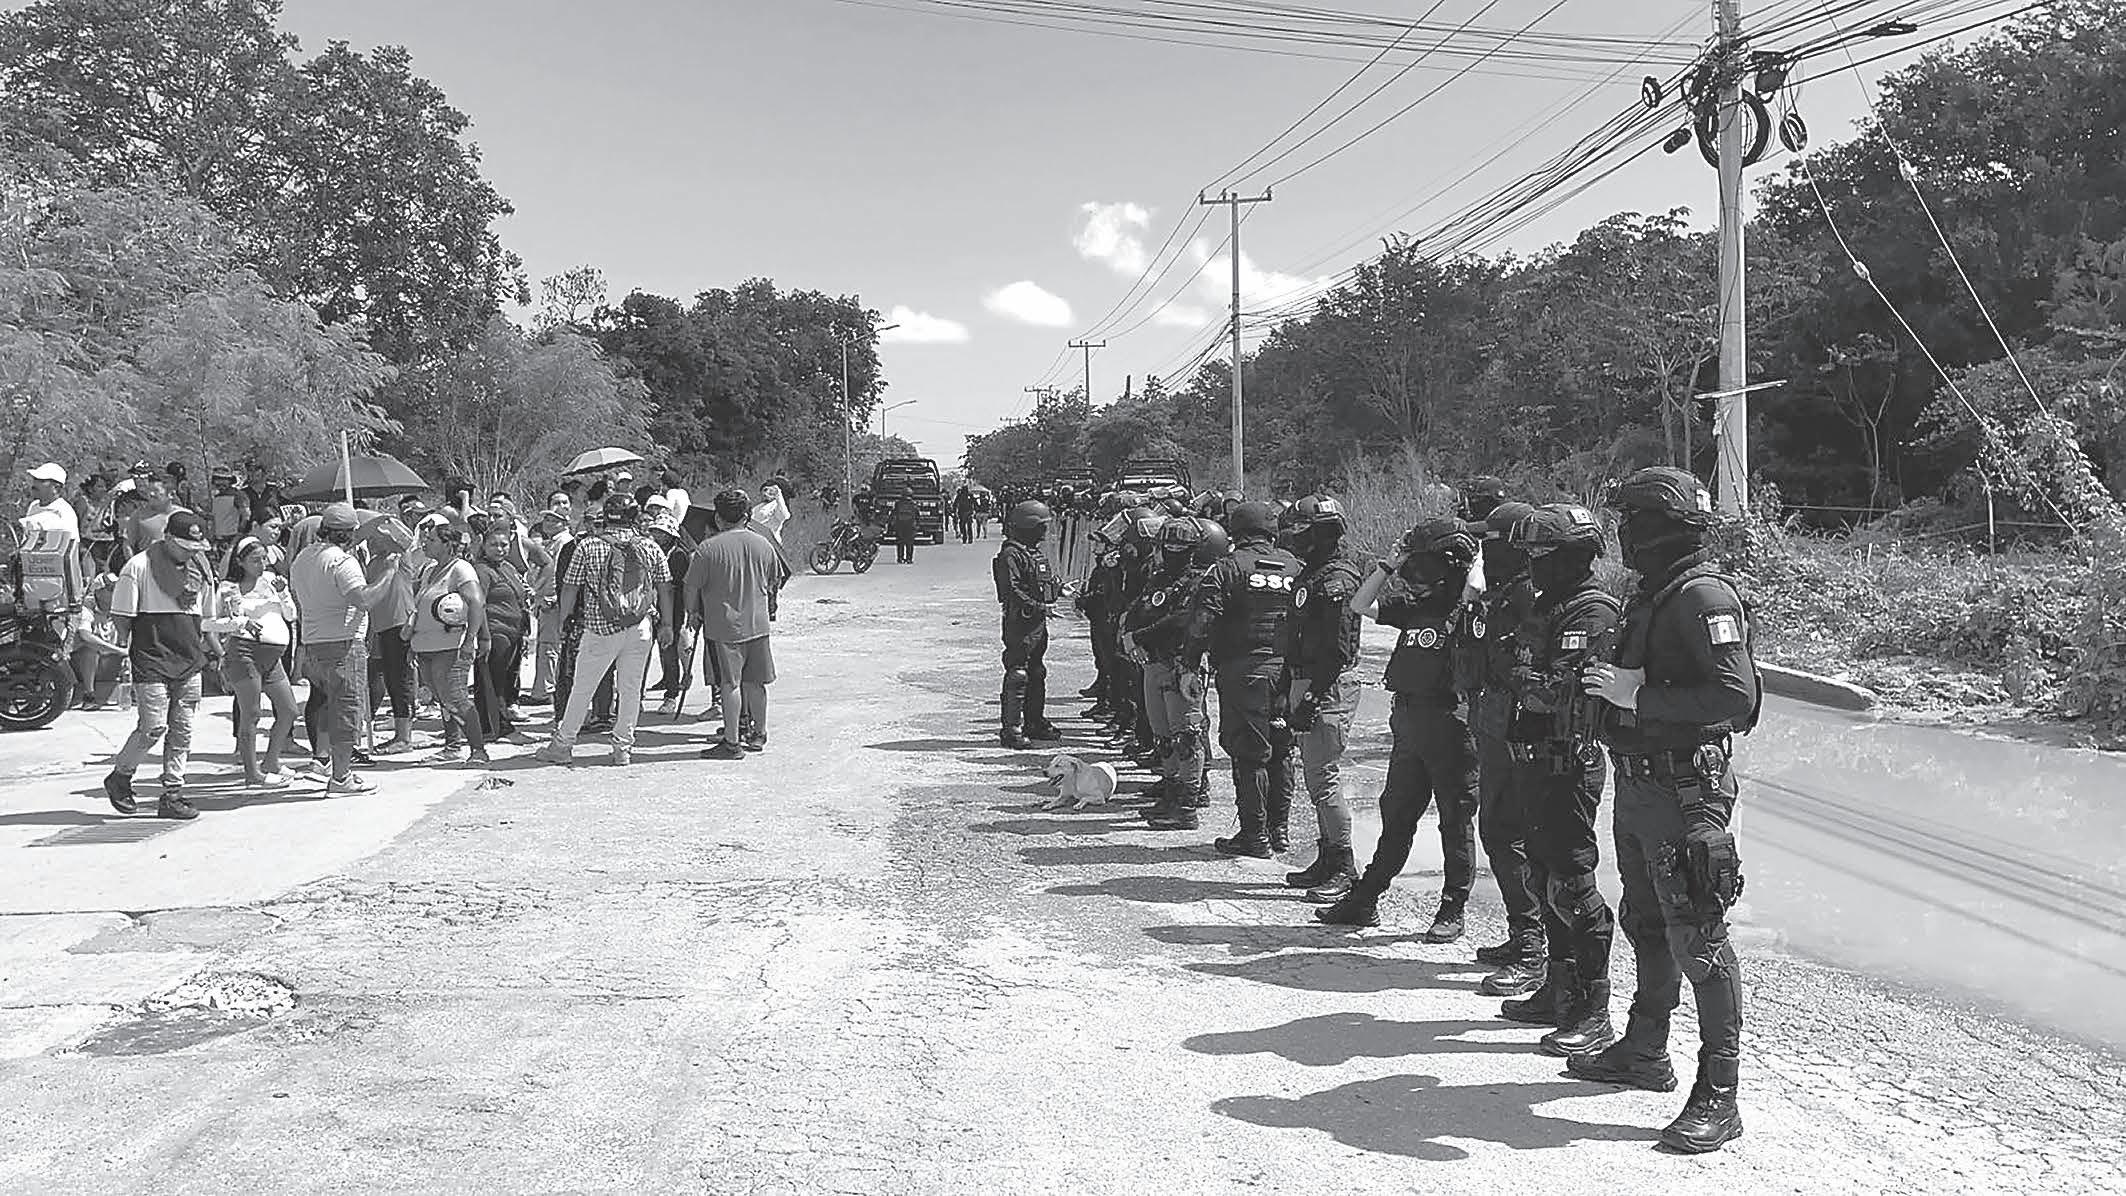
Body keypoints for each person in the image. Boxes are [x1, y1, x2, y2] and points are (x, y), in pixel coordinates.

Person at [1575, 466, 1761, 1154]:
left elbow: (1736, 698)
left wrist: (1637, 696)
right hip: (1641, 785)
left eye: (1631, 521)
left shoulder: (1702, 595)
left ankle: (1720, 1093)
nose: (1623, 533)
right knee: (1647, 922)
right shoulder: (1654, 593)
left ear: (1656, 527)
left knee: (1699, 938)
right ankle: (1645, 1047)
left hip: (1687, 791)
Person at [1317, 518, 1483, 940]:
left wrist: (1476, 558)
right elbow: (1360, 605)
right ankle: (1365, 899)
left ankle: (1452, 908)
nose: (1416, 578)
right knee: (1397, 817)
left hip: (1451, 724)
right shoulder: (1416, 607)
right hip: (1410, 722)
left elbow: (1476, 587)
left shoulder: (1466, 607)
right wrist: (1388, 565)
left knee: (1454, 822)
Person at [1498, 502, 1622, 1061]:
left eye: (1542, 554)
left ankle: (1595, 1010)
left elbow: (1562, 692)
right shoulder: (1548, 605)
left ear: (1574, 556)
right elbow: (1517, 672)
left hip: (1568, 760)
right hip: (1533, 757)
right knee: (1542, 873)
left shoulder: (1593, 611)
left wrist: (1526, 680)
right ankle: (1559, 988)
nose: (1533, 564)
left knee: (1573, 882)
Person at [1466, 500, 1550, 996]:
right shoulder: (1505, 589)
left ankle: (1533, 947)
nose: (1483, 549)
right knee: (1498, 831)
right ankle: (1522, 934)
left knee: (1513, 836)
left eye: (1490, 542)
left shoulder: (1528, 594)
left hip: (1521, 732)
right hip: (1497, 725)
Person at [1182, 501, 1298, 841]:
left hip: (1243, 672)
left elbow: (1203, 621)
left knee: (1249, 754)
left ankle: (1254, 836)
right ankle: (1279, 830)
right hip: (1287, 674)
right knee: (1281, 750)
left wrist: (1190, 665)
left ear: (1236, 532)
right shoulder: (1296, 567)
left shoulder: (1226, 568)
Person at [536, 492, 671, 767]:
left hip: (600, 629)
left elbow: (570, 587)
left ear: (606, 517)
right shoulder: (650, 546)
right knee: (630, 689)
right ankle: (623, 748)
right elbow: (665, 587)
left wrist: (563, 621)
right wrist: (667, 624)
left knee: (582, 688)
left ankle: (563, 744)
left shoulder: (588, 546)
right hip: (640, 626)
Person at [101, 512, 216, 819]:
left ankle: (173, 794)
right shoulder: (138, 566)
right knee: (153, 727)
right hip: (151, 659)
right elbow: (122, 616)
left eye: (196, 547)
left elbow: (206, 618)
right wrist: (131, 651)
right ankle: (121, 775)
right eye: (185, 546)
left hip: (189, 660)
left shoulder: (202, 571)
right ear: (167, 538)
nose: (191, 553)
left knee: (183, 730)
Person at [1275, 495, 1366, 875]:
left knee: (1324, 779)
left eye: (1301, 530)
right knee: (1315, 778)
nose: (1294, 537)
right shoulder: (1312, 574)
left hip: (1326, 686)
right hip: (1306, 681)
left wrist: (1310, 700)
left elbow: (1337, 651)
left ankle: (1343, 866)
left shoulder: (1336, 580)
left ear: (1322, 534)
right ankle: (1327, 857)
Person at [290, 503, 403, 794]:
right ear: (349, 533)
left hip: (313, 642)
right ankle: (341, 777)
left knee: (327, 704)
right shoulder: (342, 562)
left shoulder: (303, 558)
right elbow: (364, 600)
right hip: (343, 644)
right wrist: (389, 573)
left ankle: (323, 761)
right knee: (346, 710)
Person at [1121, 516, 1222, 827]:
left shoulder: (1199, 582)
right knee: (1163, 736)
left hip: (1182, 664)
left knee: (1187, 736)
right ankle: (1171, 790)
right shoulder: (1159, 578)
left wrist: (1139, 636)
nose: (1173, 553)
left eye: (1181, 548)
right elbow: (1138, 609)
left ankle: (1188, 803)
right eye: (1169, 547)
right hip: (1154, 662)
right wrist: (1130, 635)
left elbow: (1181, 619)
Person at [685, 488, 781, 759]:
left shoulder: (707, 549)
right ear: (747, 515)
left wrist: (692, 612)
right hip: (758, 624)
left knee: (730, 684)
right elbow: (773, 580)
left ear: (718, 518)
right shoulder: (764, 544)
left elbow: (691, 587)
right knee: (756, 682)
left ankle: (732, 742)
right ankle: (759, 733)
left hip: (724, 626)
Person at [207, 535, 301, 788]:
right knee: (251, 713)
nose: (262, 565)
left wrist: (283, 593)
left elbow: (291, 615)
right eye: (255, 560)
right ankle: (252, 773)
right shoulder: (228, 588)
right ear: (241, 562)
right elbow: (208, 624)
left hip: (272, 657)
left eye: (264, 559)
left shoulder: (271, 581)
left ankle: (271, 761)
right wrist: (239, 623)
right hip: (244, 653)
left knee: (289, 711)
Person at [406, 520, 489, 765]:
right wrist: (412, 642)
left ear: (447, 544)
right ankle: (452, 746)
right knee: (443, 699)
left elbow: (477, 602)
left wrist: (471, 640)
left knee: (456, 698)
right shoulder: (430, 570)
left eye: (431, 540)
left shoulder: (461, 569)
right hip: (425, 646)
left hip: (451, 647)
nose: (425, 544)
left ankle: (478, 751)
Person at [994, 500, 1061, 750]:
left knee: (1036, 671)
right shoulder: (1011, 554)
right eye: (1042, 526)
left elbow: (1042, 582)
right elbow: (1012, 590)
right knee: (1018, 673)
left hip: (1037, 623)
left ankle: (1035, 721)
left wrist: (1059, 589)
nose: (1045, 531)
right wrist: (1039, 606)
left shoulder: (1031, 552)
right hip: (1020, 622)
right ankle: (1011, 729)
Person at [471, 527, 530, 740]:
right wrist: (484, 637)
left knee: (503, 682)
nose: (499, 549)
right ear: (484, 546)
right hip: (495, 632)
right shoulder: (482, 571)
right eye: (493, 545)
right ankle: (495, 727)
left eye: (504, 545)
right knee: (491, 683)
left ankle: (495, 724)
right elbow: (478, 605)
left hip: (514, 631)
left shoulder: (508, 567)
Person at [19, 462, 85, 614]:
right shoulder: (34, 507)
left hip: (56, 583)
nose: (35, 484)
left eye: (41, 481)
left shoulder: (64, 511)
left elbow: (69, 552)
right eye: (35, 479)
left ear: (57, 488)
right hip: (33, 577)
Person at [524, 507, 572, 704]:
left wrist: (551, 597)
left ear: (565, 523)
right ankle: (544, 688)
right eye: (547, 520)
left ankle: (545, 691)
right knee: (546, 645)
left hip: (553, 601)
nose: (549, 523)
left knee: (549, 645)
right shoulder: (551, 542)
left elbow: (559, 573)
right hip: (546, 599)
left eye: (555, 520)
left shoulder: (564, 542)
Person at [750, 480, 791, 545]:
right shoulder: (757, 507)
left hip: (770, 541)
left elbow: (785, 516)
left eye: (770, 490)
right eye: (764, 490)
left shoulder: (777, 505)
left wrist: (778, 495)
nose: (766, 493)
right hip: (755, 539)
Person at [890, 490, 920, 565]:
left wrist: (892, 524)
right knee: (910, 543)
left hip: (900, 525)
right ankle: (909, 559)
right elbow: (917, 515)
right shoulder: (914, 504)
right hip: (910, 525)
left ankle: (900, 558)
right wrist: (917, 525)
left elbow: (893, 514)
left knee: (900, 542)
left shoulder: (898, 504)